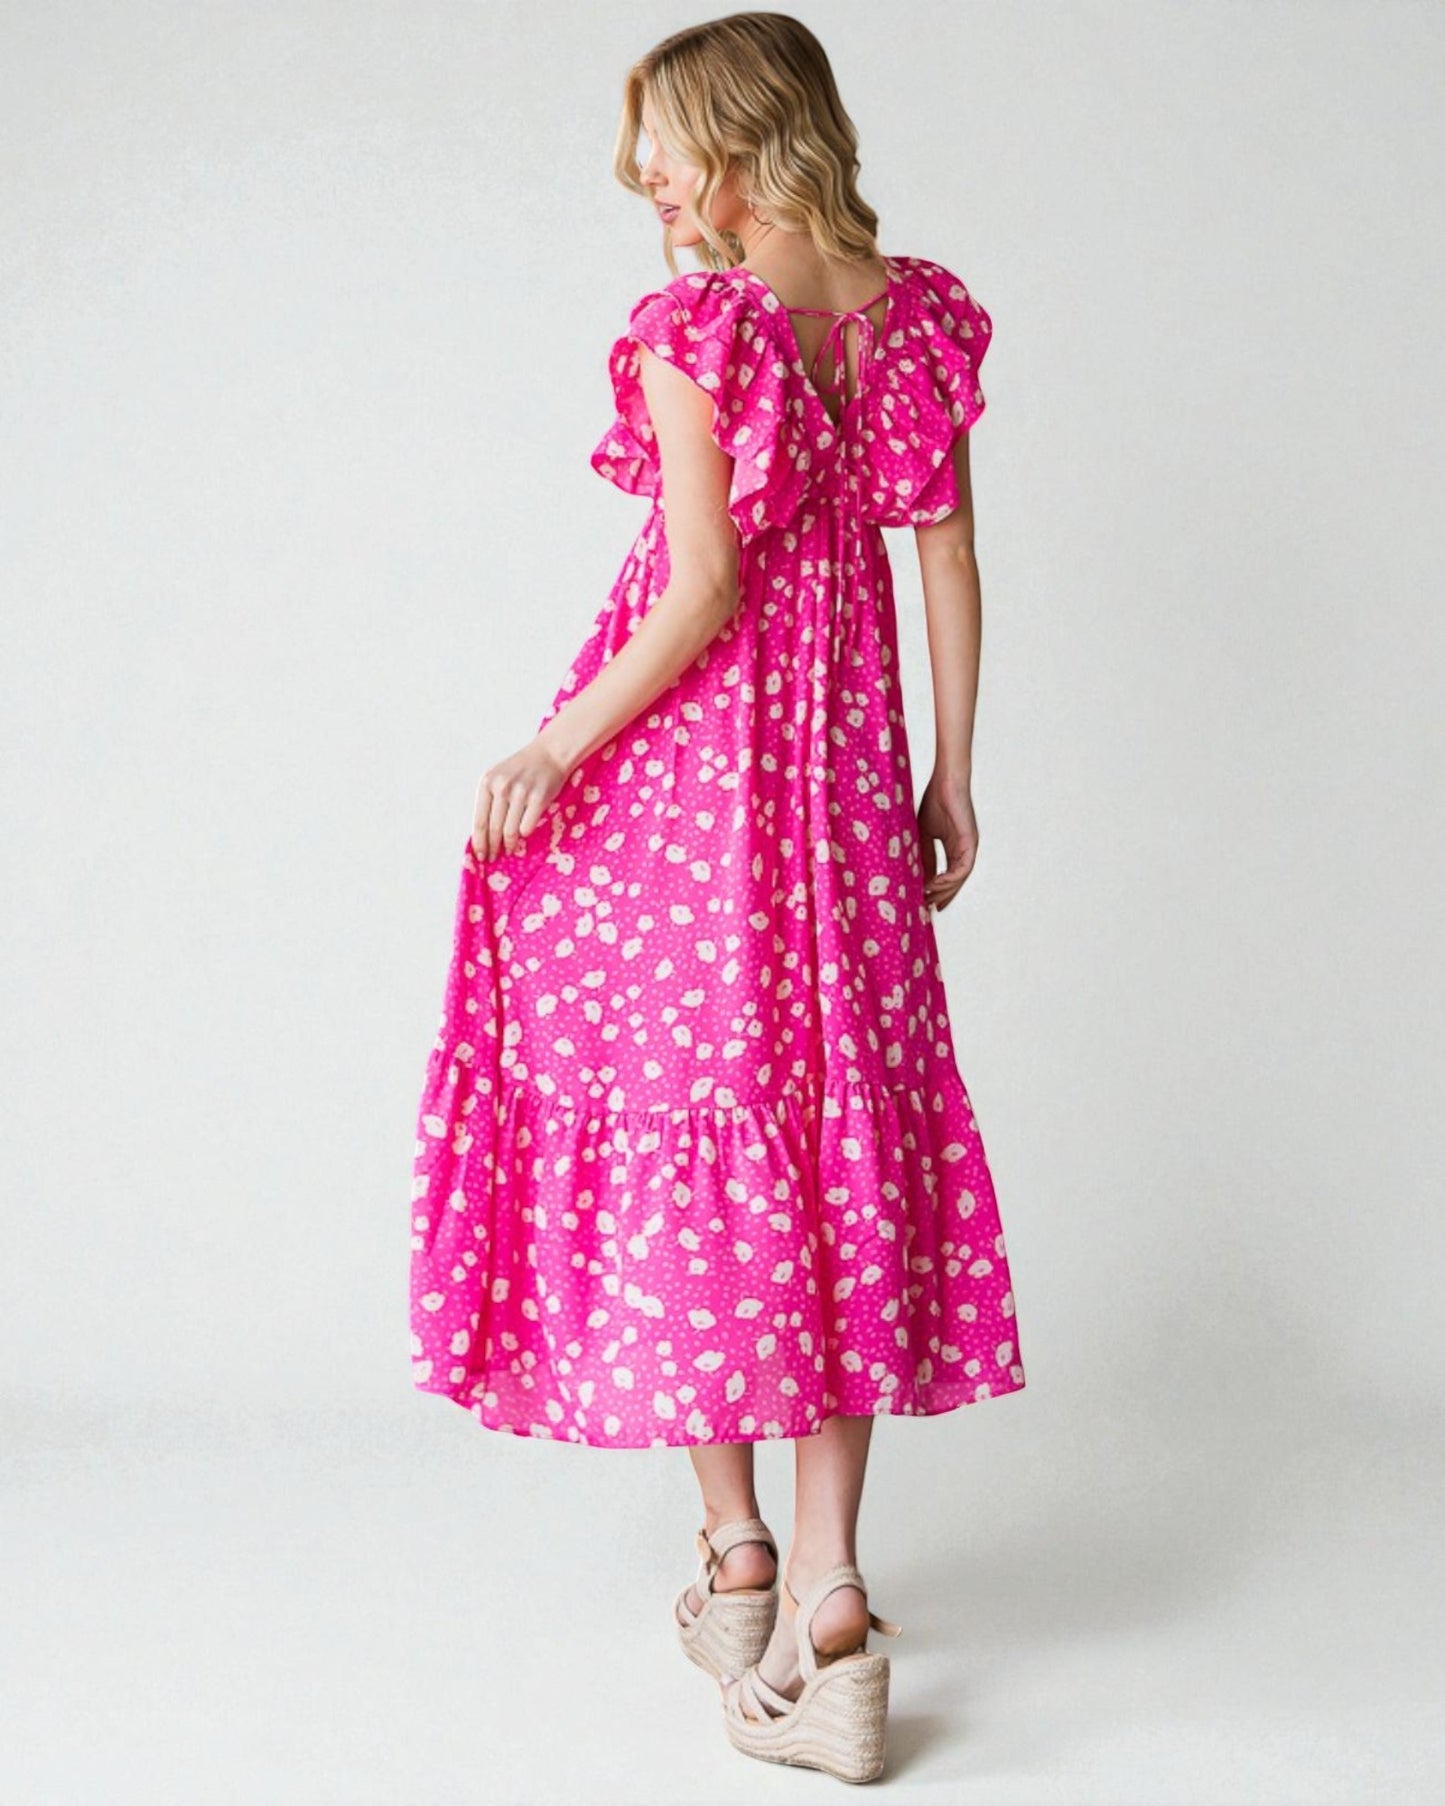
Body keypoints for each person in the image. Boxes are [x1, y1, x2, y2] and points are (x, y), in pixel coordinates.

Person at [408, 11, 1026, 1784]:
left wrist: (550, 744)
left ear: (740, 140)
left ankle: (735, 1558)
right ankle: (832, 1610)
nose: (649, 186)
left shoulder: (697, 328)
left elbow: (696, 590)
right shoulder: (914, 309)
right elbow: (952, 556)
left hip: (692, 789)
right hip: (840, 784)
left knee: (694, 1118)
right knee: (824, 1140)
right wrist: (952, 774)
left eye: (666, 151)